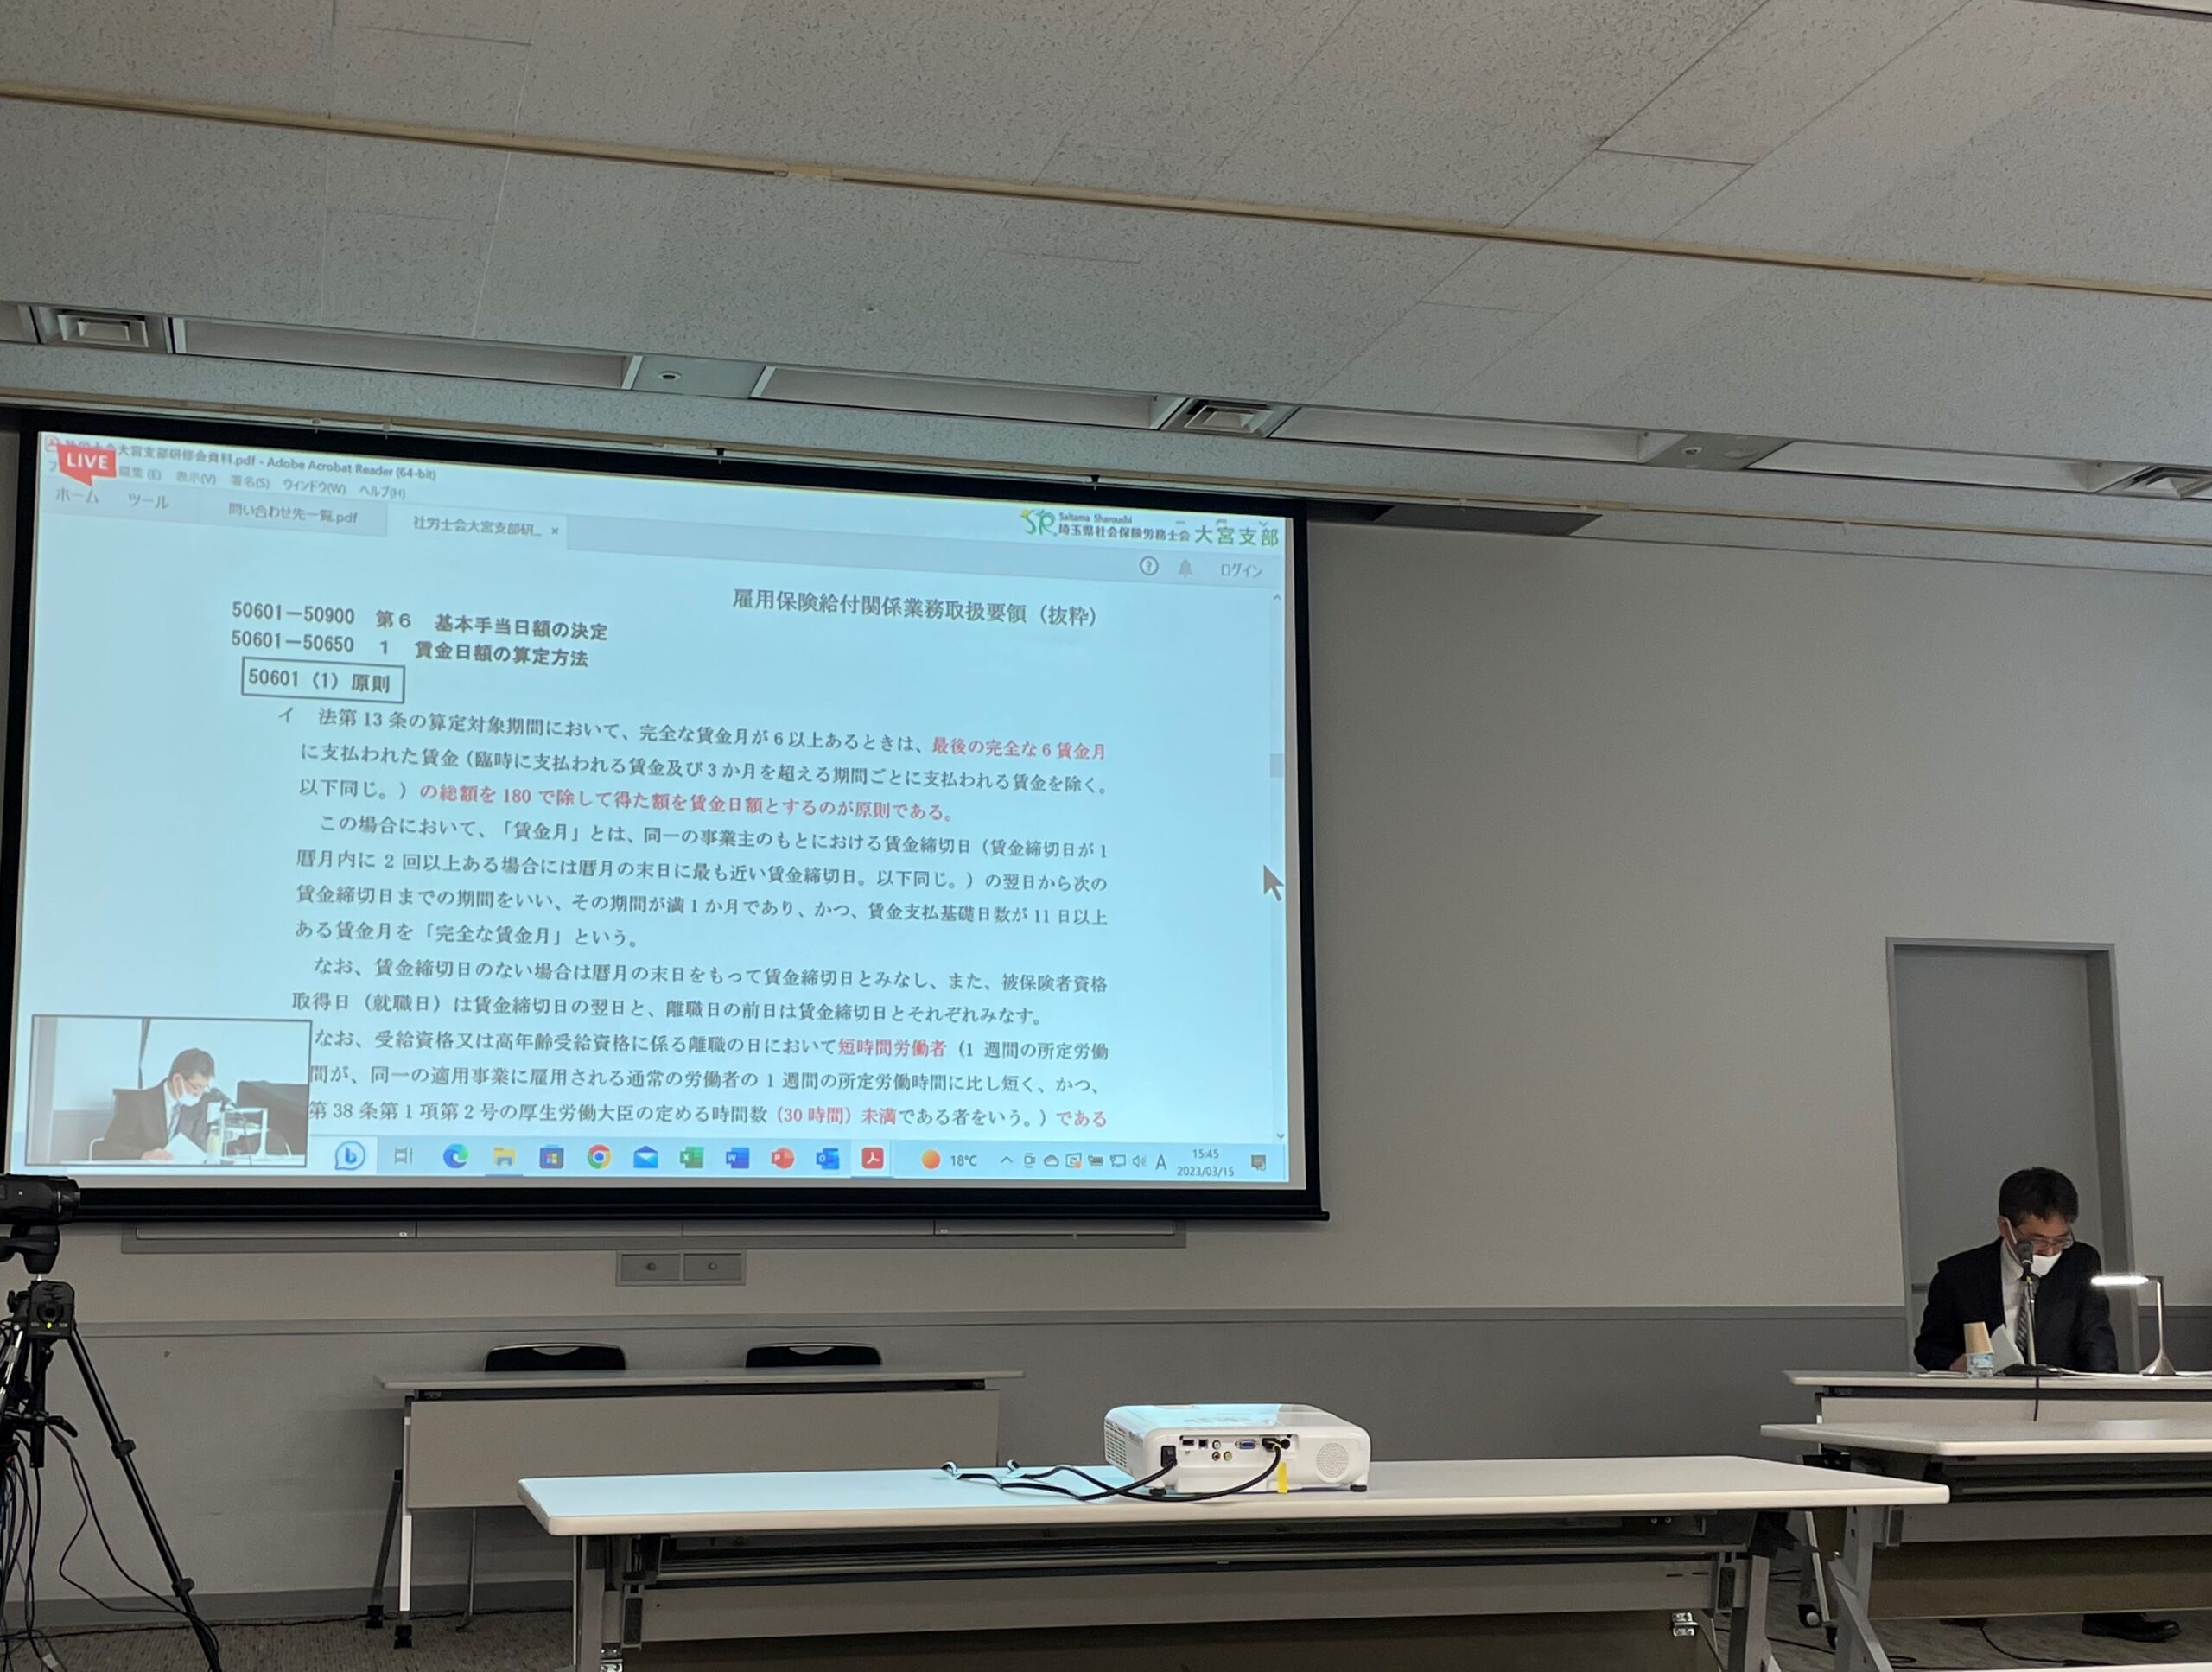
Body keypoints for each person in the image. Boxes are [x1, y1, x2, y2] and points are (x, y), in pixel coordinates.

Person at [1914, 1167, 2176, 1647]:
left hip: (2065, 1402)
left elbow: (2096, 1335)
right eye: (2038, 1241)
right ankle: (1975, 1595)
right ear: (2006, 1227)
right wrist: (1959, 1363)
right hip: (1987, 1409)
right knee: (1988, 1498)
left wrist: (2106, 1397)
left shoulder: (2081, 1262)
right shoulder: (1958, 1273)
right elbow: (1928, 1347)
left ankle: (2111, 1606)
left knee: (2105, 1495)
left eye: (2060, 1240)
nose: (2050, 1251)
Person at [103, 1049, 221, 1163]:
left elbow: (201, 1145)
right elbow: (106, 1148)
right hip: (145, 1174)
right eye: (196, 1087)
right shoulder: (138, 1103)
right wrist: (143, 1154)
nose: (199, 1094)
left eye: (204, 1088)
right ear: (177, 1079)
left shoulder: (199, 1107)